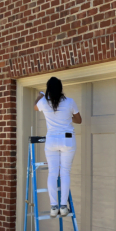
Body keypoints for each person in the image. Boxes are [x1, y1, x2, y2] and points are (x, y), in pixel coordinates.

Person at [34, 77, 82, 217]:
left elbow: (35, 107)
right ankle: (63, 207)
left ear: (48, 89)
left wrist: (40, 96)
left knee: (53, 173)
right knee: (65, 172)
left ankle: (53, 207)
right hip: (67, 140)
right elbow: (79, 120)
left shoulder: (44, 102)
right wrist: (67, 117)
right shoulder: (69, 102)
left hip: (52, 141)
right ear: (60, 88)